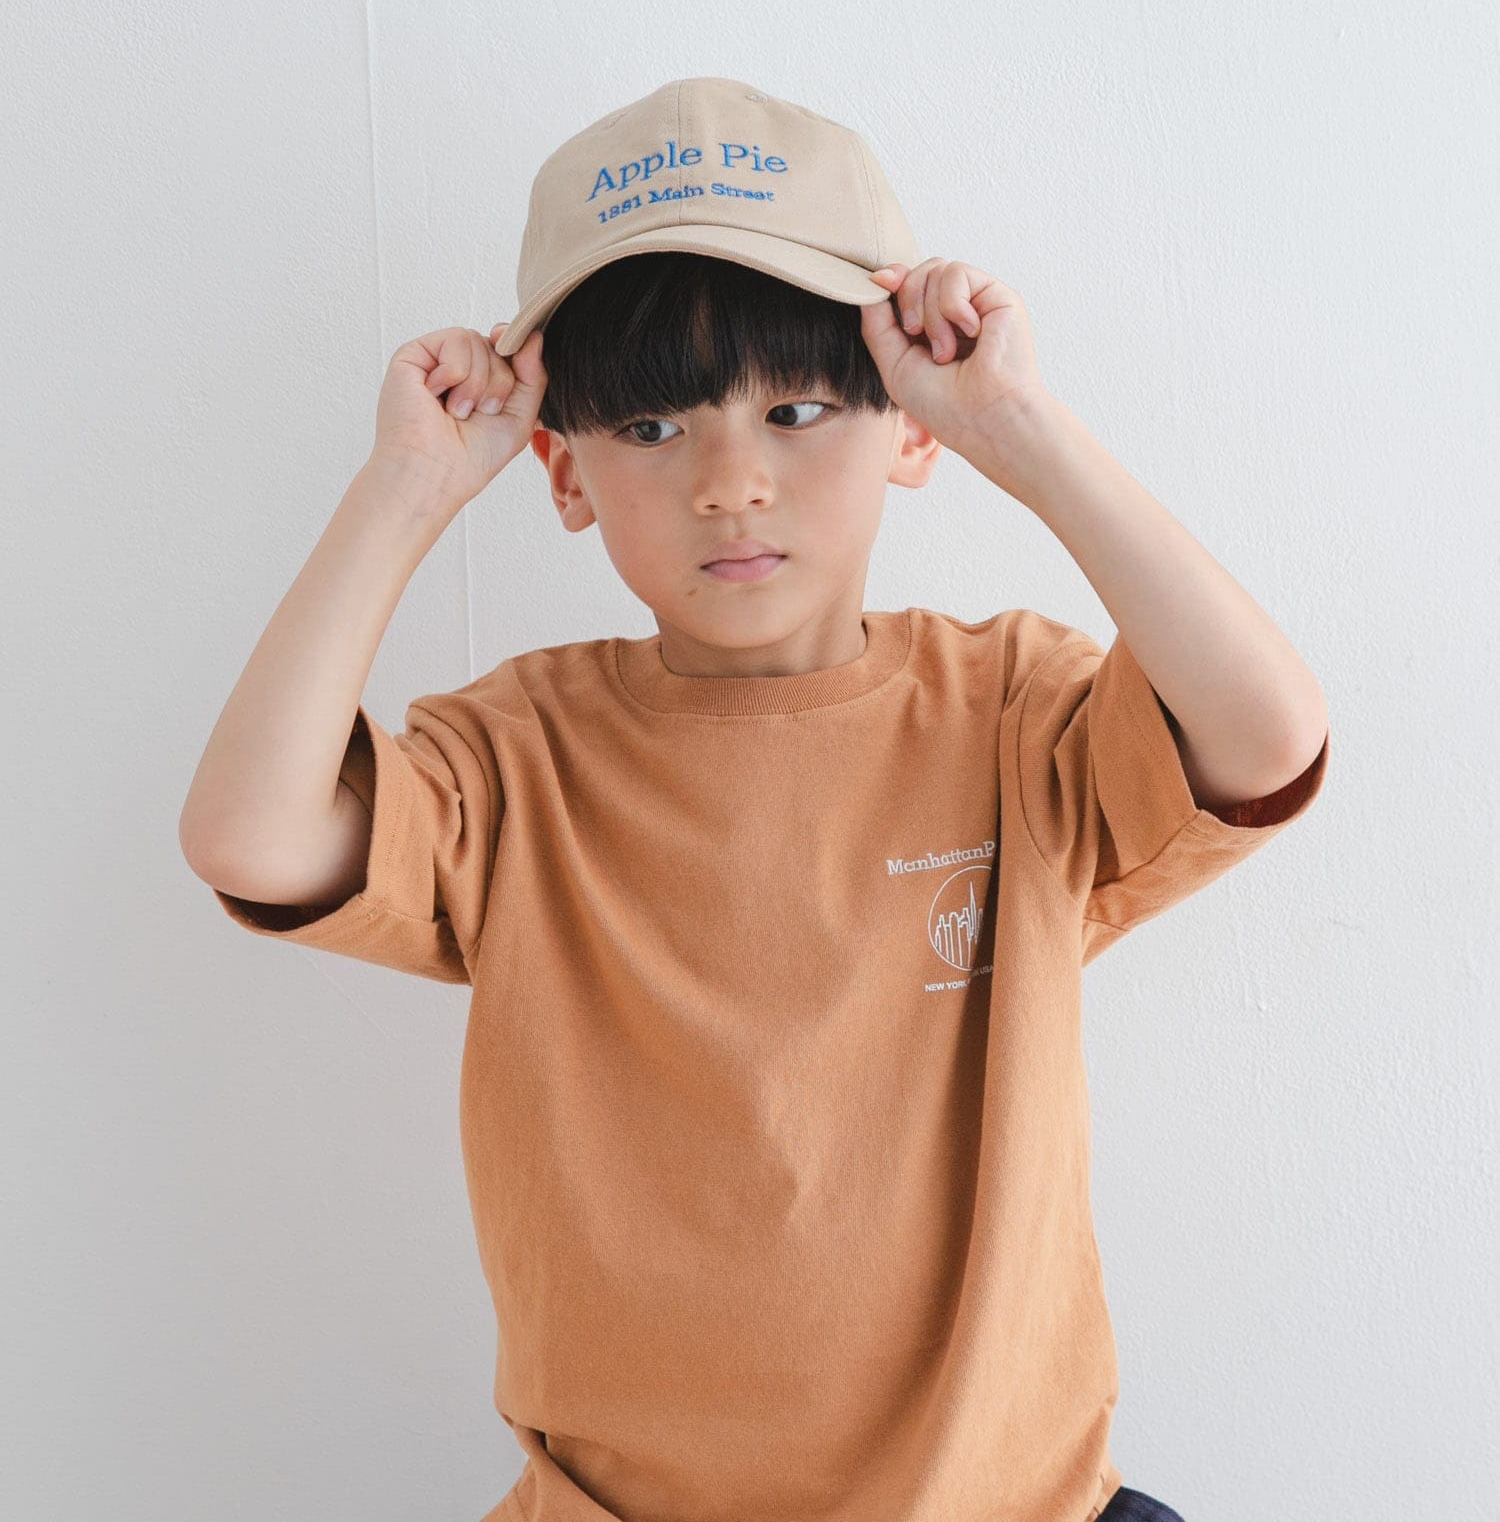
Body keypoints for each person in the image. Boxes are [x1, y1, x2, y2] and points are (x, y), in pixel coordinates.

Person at [179, 76, 1329, 1522]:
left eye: (795, 409)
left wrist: (1020, 427)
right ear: (563, 471)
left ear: (911, 429)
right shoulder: (520, 759)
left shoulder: (1012, 714)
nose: (730, 482)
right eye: (651, 429)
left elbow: (1267, 736)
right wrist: (406, 487)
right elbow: (251, 837)